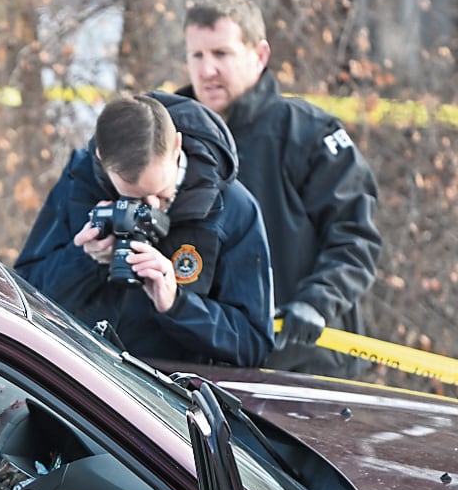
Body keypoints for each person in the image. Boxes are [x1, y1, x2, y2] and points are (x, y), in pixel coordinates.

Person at [178, 0, 382, 377]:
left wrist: (317, 302)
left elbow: (355, 238)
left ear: (260, 56)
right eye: (197, 56)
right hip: (194, 372)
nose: (207, 71)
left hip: (303, 371)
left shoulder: (308, 133)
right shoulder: (166, 136)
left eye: (221, 54)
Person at [15, 91, 274, 368]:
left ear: (177, 146)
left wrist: (176, 304)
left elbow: (253, 344)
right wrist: (83, 260)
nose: (150, 208)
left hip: (165, 399)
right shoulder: (81, 182)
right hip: (76, 381)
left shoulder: (231, 208)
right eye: (132, 199)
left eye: (162, 195)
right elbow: (23, 297)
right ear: (103, 159)